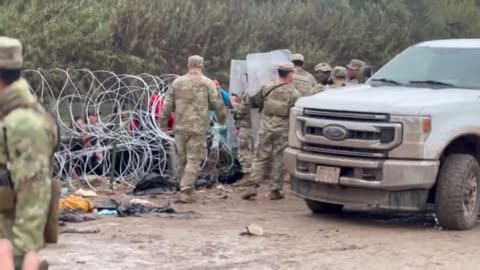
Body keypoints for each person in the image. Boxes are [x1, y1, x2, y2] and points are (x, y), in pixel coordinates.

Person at [0, 36, 58, 270]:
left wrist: (25, 257)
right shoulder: (8, 115)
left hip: (10, 248)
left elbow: (33, 194)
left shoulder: (23, 123)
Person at [160, 55, 226, 203]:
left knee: (182, 158)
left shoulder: (177, 82)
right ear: (201, 66)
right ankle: (186, 189)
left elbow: (167, 104)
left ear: (188, 65)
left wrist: (163, 123)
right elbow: (217, 102)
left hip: (180, 127)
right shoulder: (208, 83)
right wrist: (222, 118)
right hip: (198, 127)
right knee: (194, 159)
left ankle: (182, 185)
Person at [241, 62, 301, 200]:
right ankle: (275, 190)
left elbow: (256, 101)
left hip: (266, 125)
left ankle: (252, 185)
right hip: (283, 128)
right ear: (290, 74)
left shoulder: (267, 87)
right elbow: (296, 112)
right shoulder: (294, 93)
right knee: (279, 158)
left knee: (260, 156)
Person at [230, 79, 254, 176]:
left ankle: (247, 177)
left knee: (245, 152)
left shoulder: (251, 92)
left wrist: (233, 102)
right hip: (254, 125)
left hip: (247, 125)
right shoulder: (260, 89)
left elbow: (242, 109)